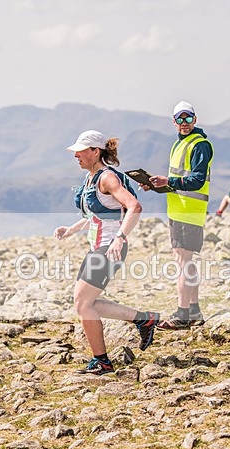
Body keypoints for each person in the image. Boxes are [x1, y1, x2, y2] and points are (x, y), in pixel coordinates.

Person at [54, 130, 159, 375]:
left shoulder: (107, 178)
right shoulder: (90, 178)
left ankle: (102, 361)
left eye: (81, 151)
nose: (76, 155)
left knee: (82, 303)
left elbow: (134, 207)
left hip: (109, 247)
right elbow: (96, 215)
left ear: (95, 151)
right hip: (99, 246)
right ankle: (144, 319)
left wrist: (119, 238)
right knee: (86, 303)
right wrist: (71, 230)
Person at [144, 101, 213, 329]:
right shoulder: (179, 144)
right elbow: (179, 179)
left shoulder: (200, 144)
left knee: (184, 262)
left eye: (188, 118)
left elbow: (197, 180)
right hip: (179, 210)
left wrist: (168, 181)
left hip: (189, 211)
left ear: (195, 119)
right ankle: (193, 310)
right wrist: (156, 185)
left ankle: (182, 314)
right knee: (184, 260)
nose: (184, 123)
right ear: (174, 122)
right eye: (180, 119)